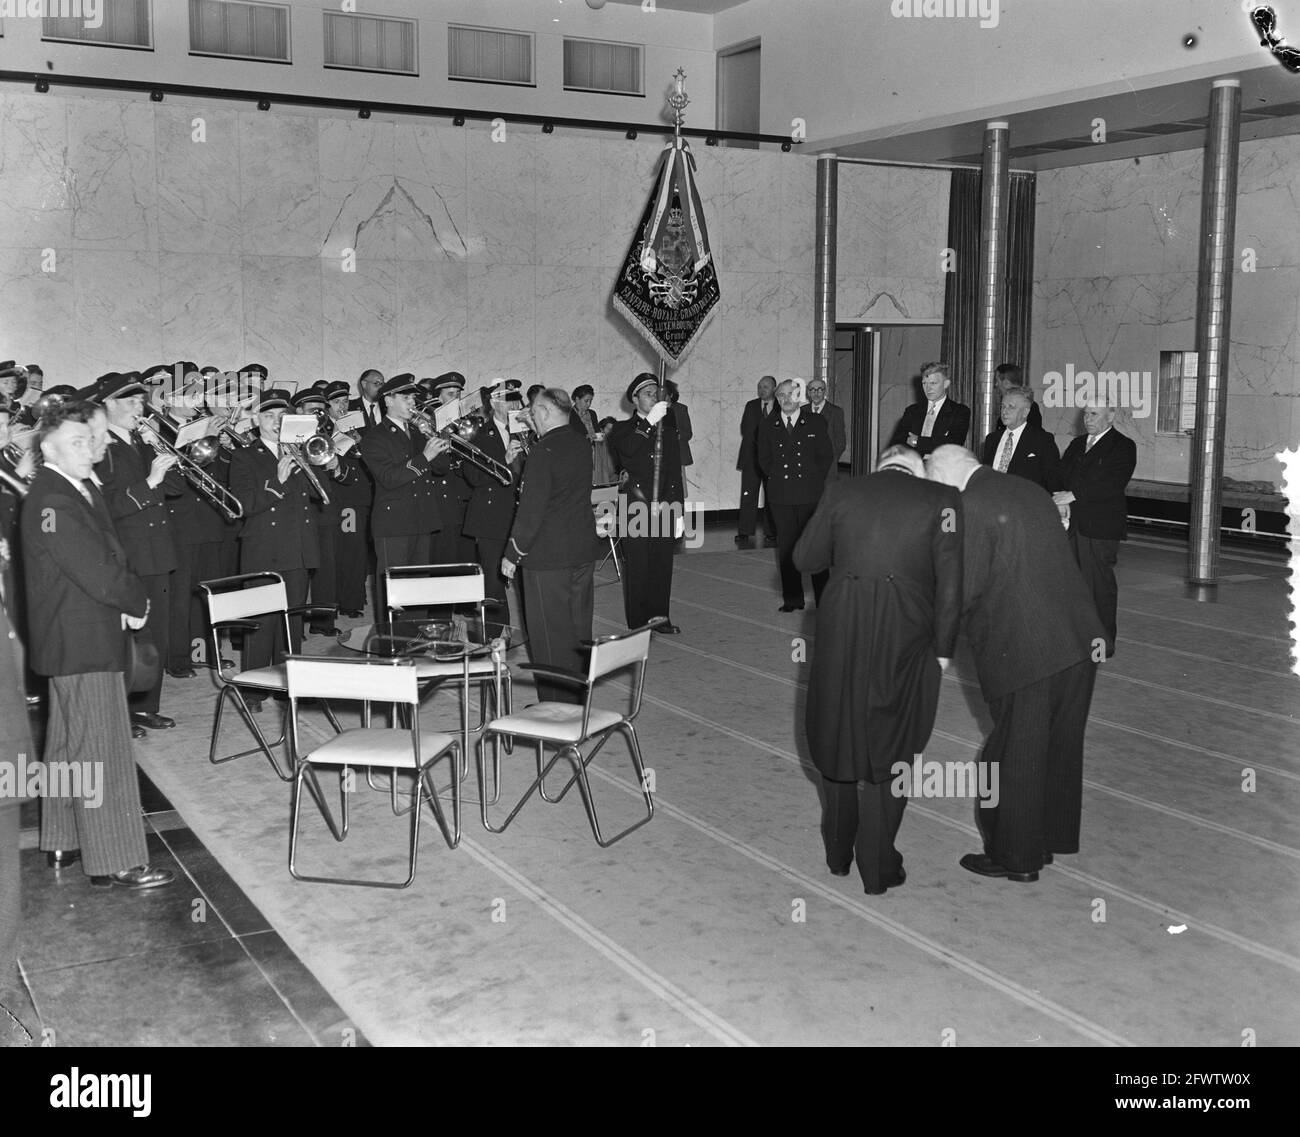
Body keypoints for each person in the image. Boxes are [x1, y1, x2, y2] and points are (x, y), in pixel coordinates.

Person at [926, 445, 1105, 883]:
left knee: (1013, 754)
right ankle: (1052, 837)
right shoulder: (1028, 489)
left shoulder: (970, 505)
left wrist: (934, 649)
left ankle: (1016, 857)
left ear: (946, 472)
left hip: (1028, 649)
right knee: (1060, 746)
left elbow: (960, 591)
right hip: (1080, 639)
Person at [794, 445, 961, 895]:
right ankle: (879, 867)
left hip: (841, 629)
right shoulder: (942, 498)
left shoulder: (843, 492)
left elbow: (804, 559)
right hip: (905, 632)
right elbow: (951, 585)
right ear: (917, 468)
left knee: (837, 730)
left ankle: (837, 854)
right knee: (896, 742)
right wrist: (943, 651)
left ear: (881, 464)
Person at [21, 401, 174, 890]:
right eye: (77, 442)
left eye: (90, 440)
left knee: (68, 744)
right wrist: (136, 597)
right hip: (83, 639)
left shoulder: (73, 487)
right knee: (103, 748)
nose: (89, 449)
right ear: (48, 449)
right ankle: (116, 858)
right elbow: (93, 568)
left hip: (75, 638)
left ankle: (62, 838)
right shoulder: (52, 499)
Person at [228, 389, 351, 706]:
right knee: (261, 624)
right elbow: (241, 505)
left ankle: (289, 685)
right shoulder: (245, 455)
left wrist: (326, 463)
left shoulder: (300, 449)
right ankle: (254, 690)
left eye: (281, 416)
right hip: (263, 548)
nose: (275, 422)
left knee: (290, 621)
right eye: (268, 416)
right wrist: (276, 482)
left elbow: (322, 494)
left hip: (297, 547)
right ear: (256, 421)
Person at [88, 371, 182, 736]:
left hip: (157, 551)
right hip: (126, 553)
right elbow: (104, 506)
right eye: (129, 401)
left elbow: (176, 486)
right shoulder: (101, 447)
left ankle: (146, 707)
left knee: (154, 635)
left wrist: (158, 448)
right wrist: (148, 484)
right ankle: (121, 711)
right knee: (128, 637)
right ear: (107, 405)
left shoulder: (143, 441)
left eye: (141, 401)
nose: (138, 407)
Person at [501, 388, 595, 704]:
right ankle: (577, 698)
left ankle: (556, 707)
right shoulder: (580, 444)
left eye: (532, 412)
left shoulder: (544, 451)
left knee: (548, 636)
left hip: (547, 557)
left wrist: (513, 553)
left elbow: (532, 508)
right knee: (578, 629)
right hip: (581, 550)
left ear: (542, 412)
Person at [358, 374, 449, 617]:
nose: (413, 403)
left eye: (413, 398)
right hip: (393, 524)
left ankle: (417, 641)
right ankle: (392, 646)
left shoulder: (418, 432)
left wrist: (433, 436)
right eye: (406, 397)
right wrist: (424, 458)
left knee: (419, 589)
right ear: (388, 400)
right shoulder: (374, 437)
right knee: (395, 591)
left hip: (422, 519)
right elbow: (389, 478)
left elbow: (442, 468)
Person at [1054, 400, 1137, 659]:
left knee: (1098, 586)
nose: (1088, 419)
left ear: (1110, 417)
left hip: (1099, 528)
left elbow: (1112, 484)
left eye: (1094, 414)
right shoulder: (1077, 444)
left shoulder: (1122, 446)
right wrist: (1061, 499)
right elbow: (1061, 475)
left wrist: (1073, 495)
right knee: (1071, 584)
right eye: (1086, 414)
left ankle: (1102, 643)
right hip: (1071, 525)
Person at [607, 373, 683, 635]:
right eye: (648, 392)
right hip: (636, 505)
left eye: (656, 392)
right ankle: (638, 622)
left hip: (664, 505)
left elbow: (674, 471)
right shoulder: (621, 430)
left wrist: (679, 510)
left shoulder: (669, 429)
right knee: (638, 565)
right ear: (634, 399)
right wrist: (649, 423)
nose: (653, 396)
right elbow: (628, 451)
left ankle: (659, 617)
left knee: (661, 564)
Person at [757, 379, 833, 612]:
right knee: (788, 547)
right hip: (781, 495)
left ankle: (825, 600)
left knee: (815, 546)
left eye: (790, 394)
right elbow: (764, 460)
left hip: (810, 493)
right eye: (781, 396)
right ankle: (793, 599)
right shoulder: (768, 425)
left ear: (799, 396)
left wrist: (811, 479)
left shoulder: (815, 421)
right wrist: (779, 479)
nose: (785, 399)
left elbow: (825, 456)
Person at [464, 382, 525, 606]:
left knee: (525, 578)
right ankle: (495, 635)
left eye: (516, 399)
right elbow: (473, 476)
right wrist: (504, 461)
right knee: (493, 579)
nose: (515, 404)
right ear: (493, 402)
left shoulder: (525, 431)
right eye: (509, 400)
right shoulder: (479, 435)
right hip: (492, 515)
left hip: (522, 514)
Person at [980, 386, 1060, 492]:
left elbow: (1053, 481)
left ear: (1025, 412)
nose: (1004, 411)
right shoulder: (992, 439)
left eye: (1011, 407)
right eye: (1003, 406)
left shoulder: (1042, 441)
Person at [889, 361, 970, 457]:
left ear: (946, 384)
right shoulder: (912, 411)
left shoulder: (959, 411)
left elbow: (952, 444)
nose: (928, 388)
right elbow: (897, 444)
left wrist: (917, 441)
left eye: (933, 383)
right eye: (924, 383)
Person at [735, 375, 778, 548]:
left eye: (766, 387)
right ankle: (744, 531)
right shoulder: (751, 405)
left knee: (772, 497)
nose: (762, 390)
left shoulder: (781, 406)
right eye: (760, 387)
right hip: (751, 458)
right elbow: (745, 428)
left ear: (774, 389)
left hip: (773, 461)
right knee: (748, 495)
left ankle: (771, 532)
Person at [570, 384, 616, 485]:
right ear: (577, 399)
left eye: (591, 401)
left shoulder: (592, 413)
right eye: (586, 401)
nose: (589, 404)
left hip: (594, 452)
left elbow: (596, 431)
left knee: (595, 479)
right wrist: (587, 437)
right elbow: (569, 436)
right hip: (578, 454)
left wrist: (601, 435)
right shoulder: (569, 415)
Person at [804, 378, 846, 480]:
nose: (816, 393)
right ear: (808, 393)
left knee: (827, 494)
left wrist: (831, 459)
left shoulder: (836, 412)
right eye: (812, 390)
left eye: (820, 389)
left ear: (825, 391)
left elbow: (840, 442)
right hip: (806, 465)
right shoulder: (802, 411)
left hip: (828, 466)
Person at [991, 364, 1042, 431]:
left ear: (1006, 383)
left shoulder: (1029, 406)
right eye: (1003, 406)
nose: (996, 385)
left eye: (997, 381)